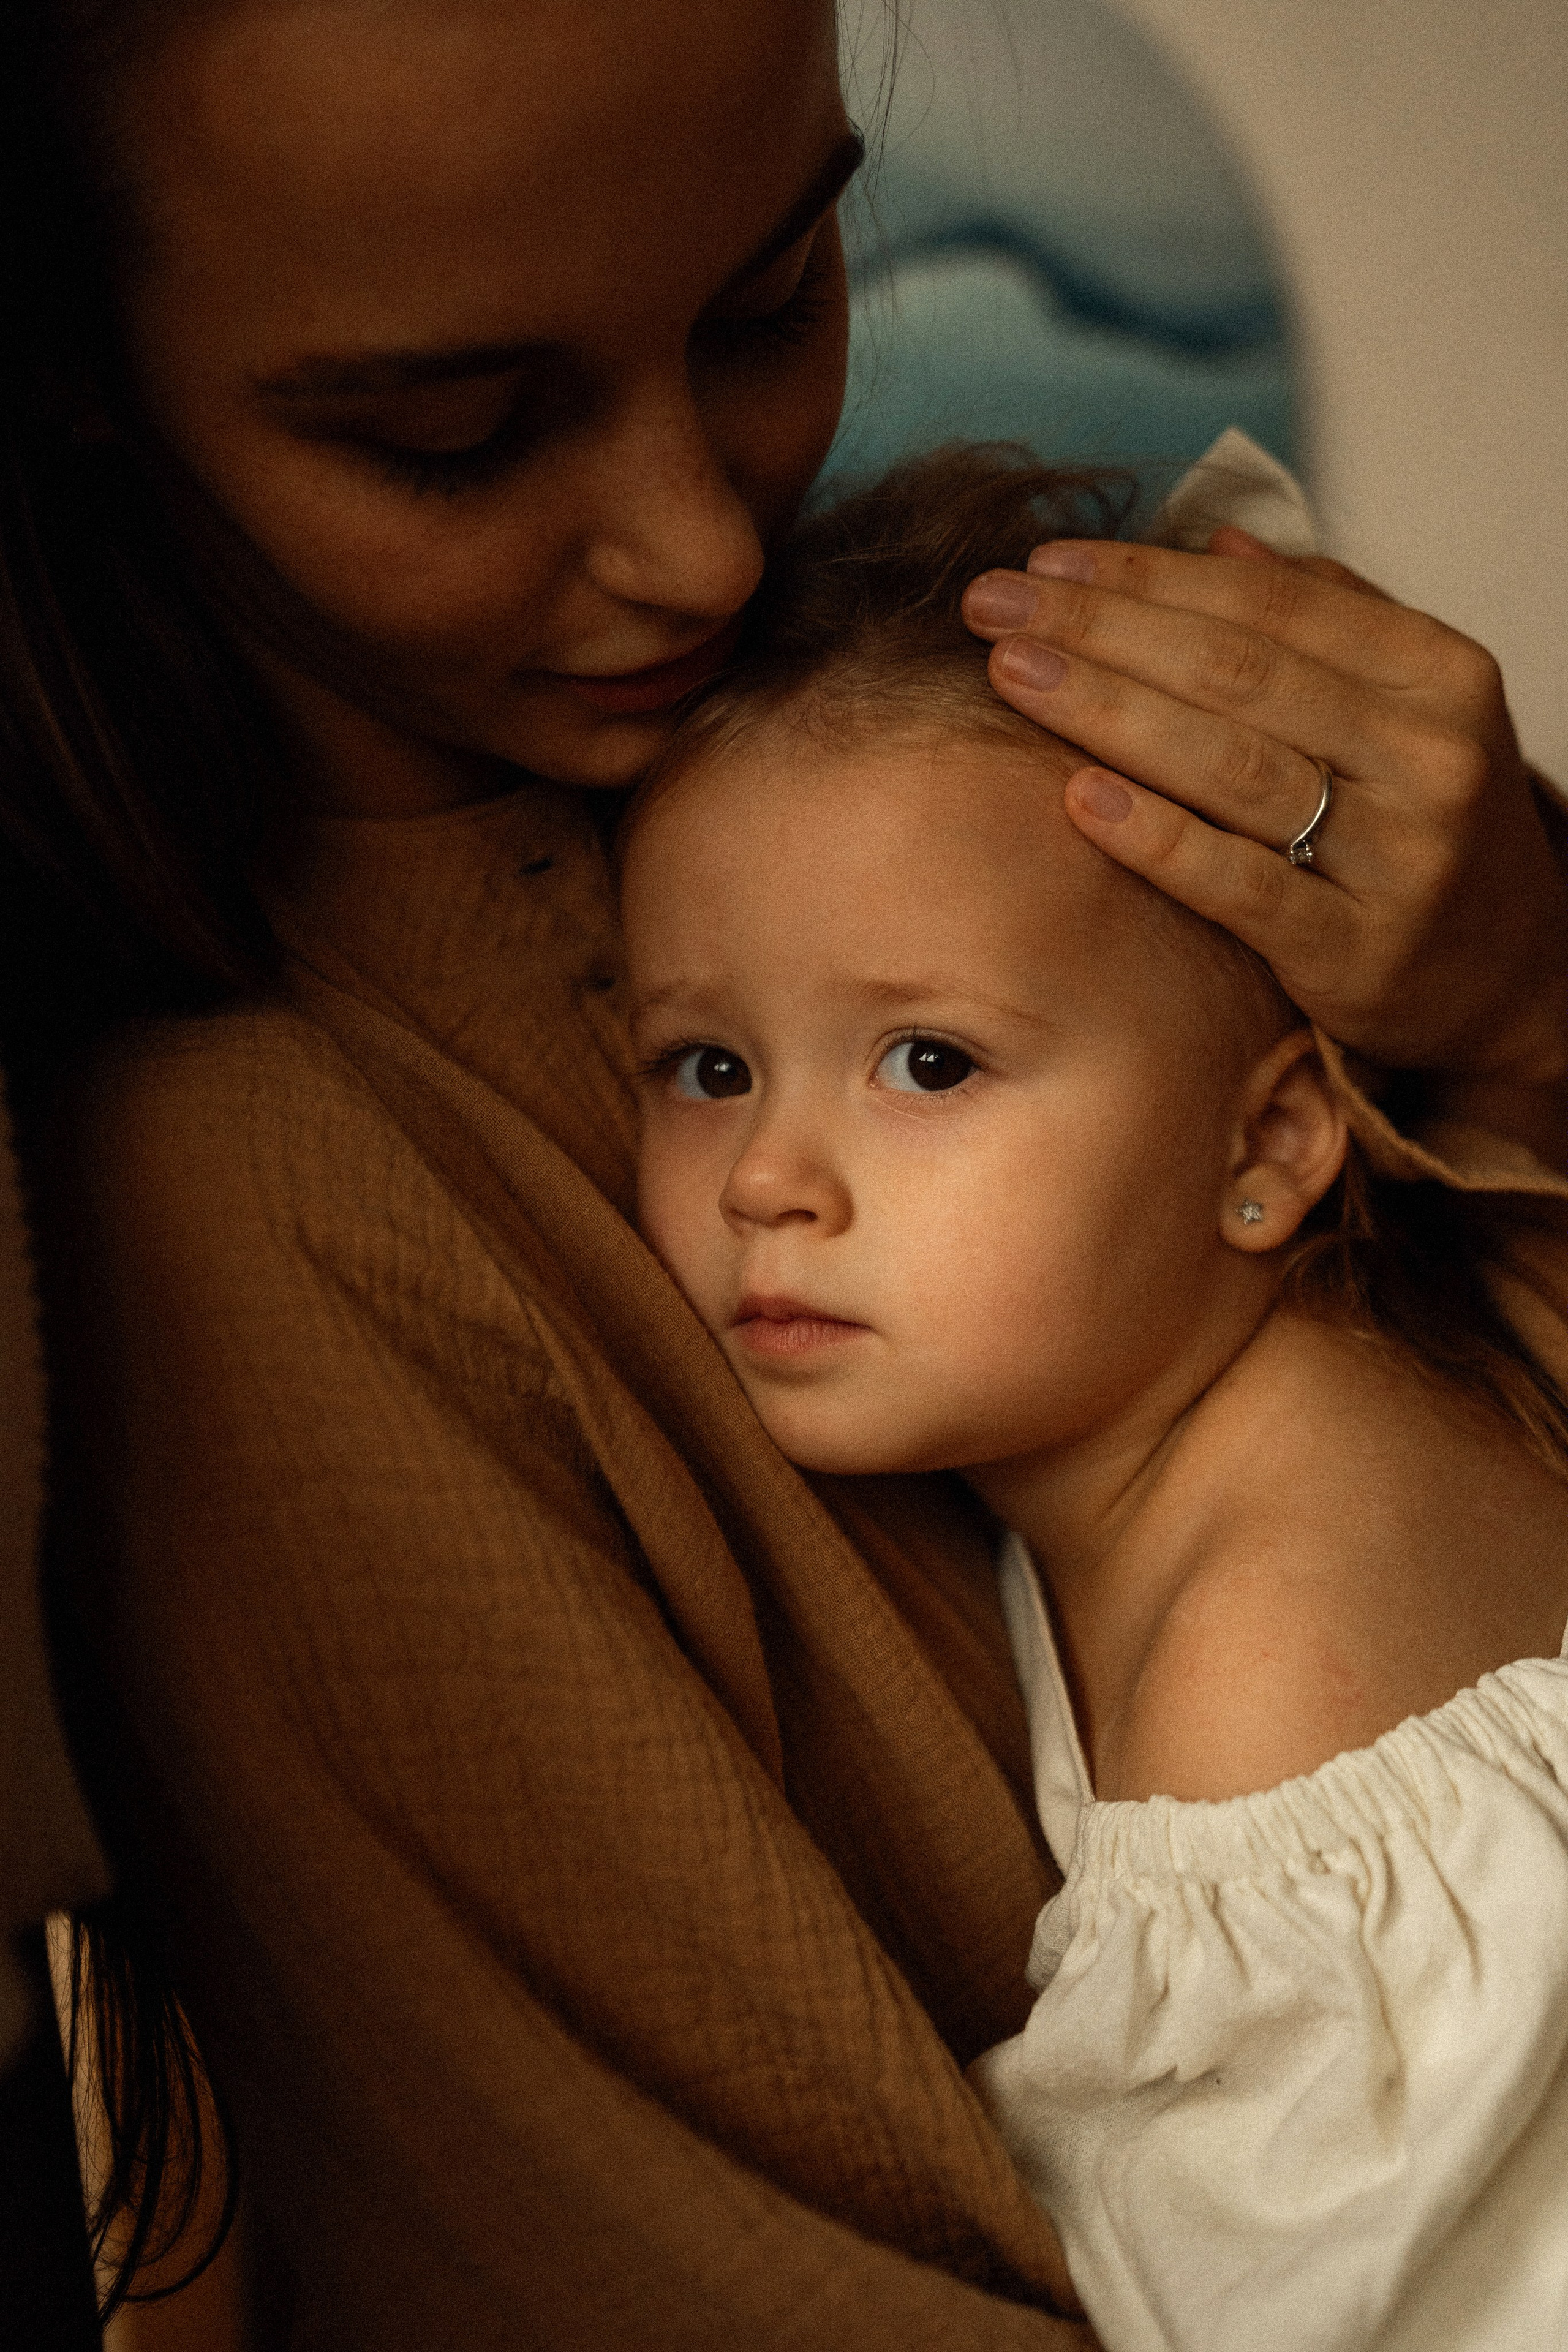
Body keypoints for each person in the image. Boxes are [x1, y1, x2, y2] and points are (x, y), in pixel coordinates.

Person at [3, 0, 1566, 2340]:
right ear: (71, 361)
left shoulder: (950, 736)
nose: (705, 541)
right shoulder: (250, 1216)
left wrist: (1527, 984)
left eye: (774, 302)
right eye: (457, 436)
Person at [622, 446, 1568, 2351]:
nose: (768, 1179)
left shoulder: (1268, 1665)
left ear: (1276, 1139)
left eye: (927, 1059)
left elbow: (1266, 2294)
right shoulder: (1333, 1392)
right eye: (708, 1064)